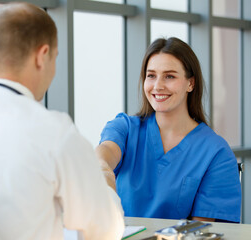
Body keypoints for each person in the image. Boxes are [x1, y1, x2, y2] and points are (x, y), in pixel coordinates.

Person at [0, 3, 124, 240]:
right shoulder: (54, 131)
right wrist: (106, 187)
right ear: (42, 56)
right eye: (55, 58)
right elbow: (104, 230)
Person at [96, 37, 241, 223]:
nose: (158, 86)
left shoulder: (216, 153)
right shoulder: (125, 128)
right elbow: (106, 152)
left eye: (170, 76)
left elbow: (200, 232)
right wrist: (103, 170)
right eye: (151, 76)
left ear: (191, 84)